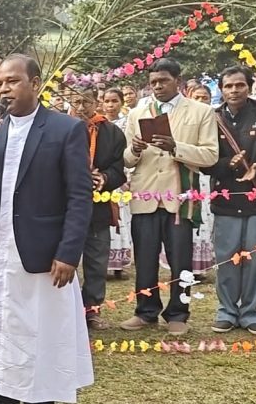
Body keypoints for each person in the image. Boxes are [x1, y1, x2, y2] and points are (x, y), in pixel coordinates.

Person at [0, 54, 94, 404]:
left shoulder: (65, 129)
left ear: (34, 83)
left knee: (38, 325)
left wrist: (68, 252)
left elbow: (80, 197)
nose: (3, 90)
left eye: (12, 82)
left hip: (41, 249)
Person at [120, 59, 218, 335]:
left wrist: (177, 146)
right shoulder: (137, 113)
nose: (158, 86)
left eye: (163, 80)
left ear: (178, 81)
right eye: (153, 82)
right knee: (145, 257)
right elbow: (126, 160)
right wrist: (135, 150)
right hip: (145, 195)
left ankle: (178, 314)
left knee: (181, 259)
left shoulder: (200, 112)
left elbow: (210, 155)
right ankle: (145, 311)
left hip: (179, 197)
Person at [202, 66, 256, 335]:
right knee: (226, 258)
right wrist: (228, 163)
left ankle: (251, 311)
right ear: (221, 89)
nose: (234, 90)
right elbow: (205, 161)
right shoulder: (211, 118)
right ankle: (226, 310)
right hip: (225, 199)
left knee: (254, 258)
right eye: (228, 86)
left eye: (240, 85)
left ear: (249, 86)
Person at [69, 89, 127, 330]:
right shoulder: (61, 128)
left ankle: (91, 310)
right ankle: (65, 310)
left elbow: (119, 169)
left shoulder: (112, 132)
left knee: (96, 261)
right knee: (64, 261)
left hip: (98, 207)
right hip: (65, 208)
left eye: (87, 101)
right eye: (76, 102)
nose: (81, 107)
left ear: (97, 103)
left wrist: (103, 177)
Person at [102, 88, 133, 277]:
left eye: (114, 101)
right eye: (107, 101)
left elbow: (129, 152)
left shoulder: (127, 124)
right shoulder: (99, 124)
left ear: (121, 102)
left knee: (121, 219)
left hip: (121, 177)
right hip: (104, 177)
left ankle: (119, 265)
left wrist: (128, 177)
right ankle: (105, 262)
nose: (110, 105)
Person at [187, 84, 216, 274]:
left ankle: (203, 266)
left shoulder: (213, 118)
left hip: (207, 178)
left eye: (204, 97)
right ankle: (190, 267)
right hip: (189, 175)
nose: (201, 101)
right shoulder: (185, 118)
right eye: (196, 97)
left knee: (207, 220)